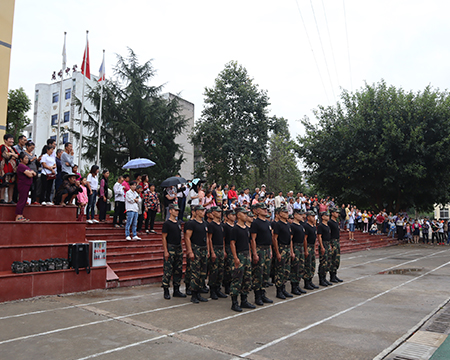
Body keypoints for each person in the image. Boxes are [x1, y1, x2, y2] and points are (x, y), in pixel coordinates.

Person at [230, 206, 255, 312]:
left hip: (246, 255)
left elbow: (248, 243)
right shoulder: (235, 229)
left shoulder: (246, 228)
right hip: (239, 255)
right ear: (238, 215)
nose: (246, 216)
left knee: (247, 279)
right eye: (244, 214)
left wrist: (250, 254)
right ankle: (234, 302)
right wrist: (235, 258)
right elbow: (232, 244)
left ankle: (244, 300)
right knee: (237, 279)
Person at [250, 202, 274, 305]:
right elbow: (253, 239)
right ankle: (257, 296)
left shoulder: (268, 223)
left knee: (265, 273)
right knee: (258, 273)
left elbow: (270, 238)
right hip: (260, 249)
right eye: (263, 209)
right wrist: (255, 253)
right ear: (257, 210)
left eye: (266, 209)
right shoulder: (256, 223)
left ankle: (263, 294)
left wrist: (271, 250)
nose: (266, 210)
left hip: (267, 250)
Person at [184, 205, 209, 304]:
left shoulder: (204, 223)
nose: (203, 212)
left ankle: (199, 292)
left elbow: (206, 238)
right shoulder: (191, 223)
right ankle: (193, 294)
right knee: (195, 272)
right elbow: (187, 238)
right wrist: (190, 251)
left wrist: (207, 250)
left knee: (203, 272)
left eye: (203, 210)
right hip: (196, 248)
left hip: (203, 249)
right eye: (201, 211)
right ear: (196, 212)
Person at [161, 203, 186, 300]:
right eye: (175, 210)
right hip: (170, 247)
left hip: (178, 247)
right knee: (168, 270)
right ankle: (166, 290)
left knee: (178, 269)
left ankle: (176, 289)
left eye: (178, 210)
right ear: (170, 211)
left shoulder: (178, 223)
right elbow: (164, 237)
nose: (177, 212)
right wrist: (166, 251)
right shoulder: (167, 223)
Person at [272, 207, 294, 299]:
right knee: (280, 270)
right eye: (284, 212)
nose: (286, 213)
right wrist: (277, 252)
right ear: (280, 214)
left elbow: (290, 239)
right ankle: (279, 290)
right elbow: (274, 239)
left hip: (288, 248)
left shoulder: (288, 224)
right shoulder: (278, 224)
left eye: (287, 212)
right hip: (281, 248)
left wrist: (292, 251)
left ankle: (284, 289)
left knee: (286, 270)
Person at [207, 206, 227, 300]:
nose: (219, 213)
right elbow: (209, 239)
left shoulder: (221, 225)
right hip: (214, 248)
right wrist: (212, 251)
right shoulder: (211, 225)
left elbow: (223, 239)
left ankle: (218, 289)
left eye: (220, 212)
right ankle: (212, 290)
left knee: (220, 270)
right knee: (214, 271)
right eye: (217, 212)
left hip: (220, 248)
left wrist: (223, 250)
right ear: (213, 213)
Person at [15, 153, 36, 221]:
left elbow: (34, 173)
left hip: (27, 185)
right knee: (22, 200)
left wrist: (32, 172)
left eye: (27, 158)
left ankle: (21, 215)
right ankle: (18, 215)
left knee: (24, 200)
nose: (27, 160)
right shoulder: (21, 166)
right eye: (25, 158)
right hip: (23, 185)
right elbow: (30, 174)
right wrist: (31, 172)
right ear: (21, 159)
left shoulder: (26, 166)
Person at [0, 134, 19, 203]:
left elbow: (18, 156)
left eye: (12, 139)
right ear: (5, 140)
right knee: (4, 183)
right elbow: (5, 155)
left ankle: (10, 199)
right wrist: (13, 155)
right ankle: (2, 198)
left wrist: (11, 154)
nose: (12, 141)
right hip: (5, 167)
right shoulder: (2, 147)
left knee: (12, 184)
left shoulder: (13, 148)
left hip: (13, 168)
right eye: (10, 139)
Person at [303, 210, 319, 290]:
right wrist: (306, 250)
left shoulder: (313, 226)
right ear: (308, 217)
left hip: (312, 246)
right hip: (308, 246)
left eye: (314, 216)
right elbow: (305, 239)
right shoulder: (306, 226)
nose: (314, 218)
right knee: (308, 265)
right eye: (312, 216)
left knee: (312, 264)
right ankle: (306, 282)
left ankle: (310, 280)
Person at [328, 207, 343, 283]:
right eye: (336, 212)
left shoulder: (336, 222)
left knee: (337, 259)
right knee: (333, 259)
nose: (337, 214)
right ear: (332, 213)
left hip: (337, 241)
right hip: (332, 241)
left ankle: (335, 274)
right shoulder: (330, 222)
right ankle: (332, 276)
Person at [317, 211, 332, 287]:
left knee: (328, 262)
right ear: (322, 217)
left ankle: (325, 278)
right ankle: (321, 279)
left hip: (327, 244)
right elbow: (319, 236)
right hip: (323, 244)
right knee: (323, 262)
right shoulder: (321, 226)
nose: (328, 217)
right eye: (326, 215)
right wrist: (322, 246)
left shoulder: (328, 226)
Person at [222, 209, 235, 294]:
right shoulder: (225, 226)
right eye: (232, 215)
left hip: (235, 248)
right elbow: (223, 239)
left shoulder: (236, 226)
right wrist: (224, 250)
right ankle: (226, 286)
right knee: (228, 268)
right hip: (227, 247)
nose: (234, 216)